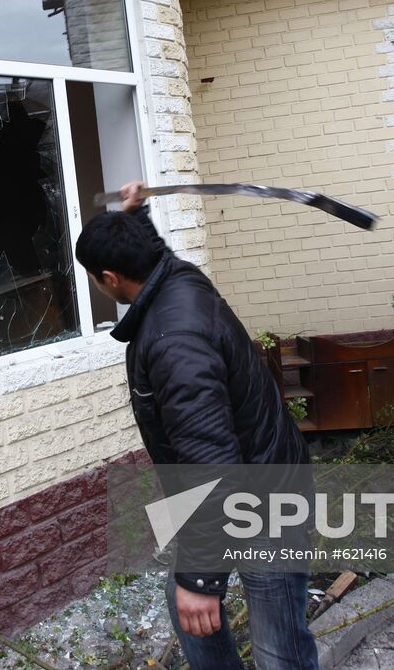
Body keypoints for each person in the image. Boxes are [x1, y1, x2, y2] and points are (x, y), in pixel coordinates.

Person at [75, 182, 319, 669]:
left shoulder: (175, 343)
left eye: (96, 281)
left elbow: (213, 464)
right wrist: (137, 216)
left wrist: (202, 581)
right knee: (183, 604)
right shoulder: (180, 280)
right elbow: (157, 256)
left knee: (277, 648)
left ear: (109, 277)